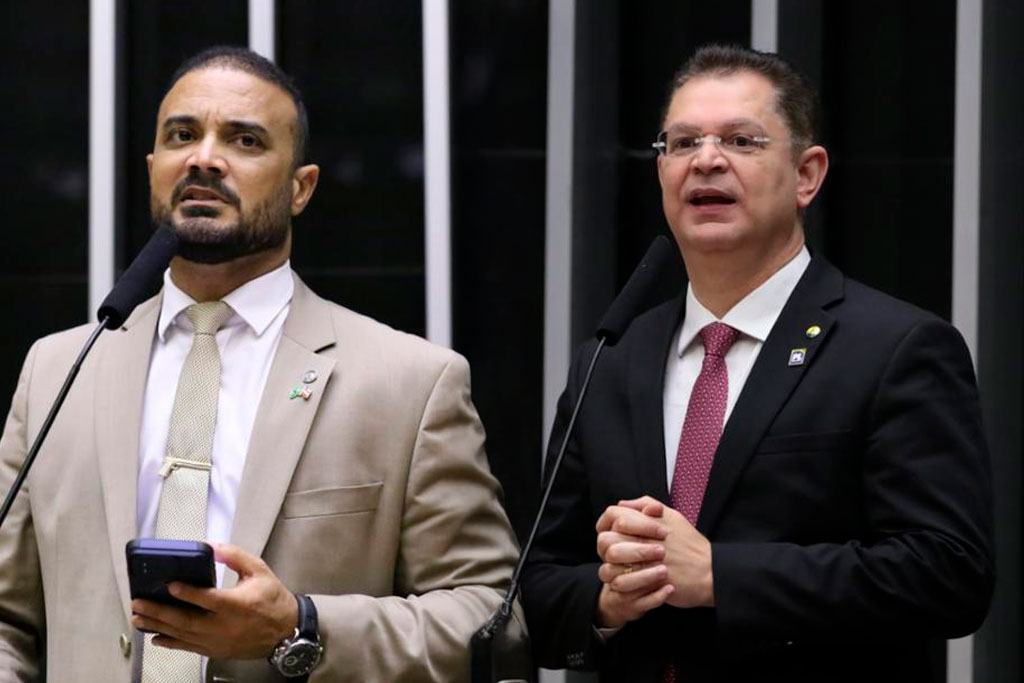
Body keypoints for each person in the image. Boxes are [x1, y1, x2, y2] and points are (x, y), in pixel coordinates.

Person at [0, 46, 520, 683]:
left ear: (301, 188)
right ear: (152, 168)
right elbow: (8, 618)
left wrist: (300, 625)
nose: (204, 157)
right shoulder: (58, 370)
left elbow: (495, 619)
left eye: (244, 140)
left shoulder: (410, 383)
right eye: (182, 135)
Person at [520, 44, 994, 682]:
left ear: (807, 175)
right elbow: (539, 591)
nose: (706, 160)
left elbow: (948, 573)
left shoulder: (898, 348)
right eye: (682, 142)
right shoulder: (611, 358)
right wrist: (608, 600)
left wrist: (719, 575)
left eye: (741, 141)